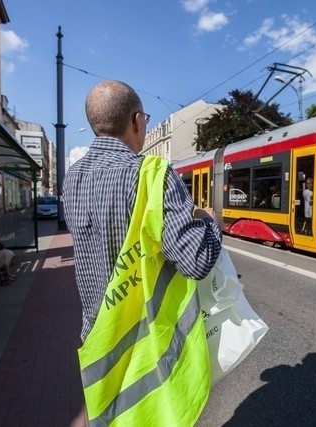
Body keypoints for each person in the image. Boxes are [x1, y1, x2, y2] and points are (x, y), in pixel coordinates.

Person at [63, 80, 222, 427]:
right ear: (137, 120)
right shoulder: (154, 175)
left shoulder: (71, 178)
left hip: (98, 335)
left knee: (109, 418)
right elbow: (196, 261)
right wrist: (210, 224)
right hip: (146, 338)